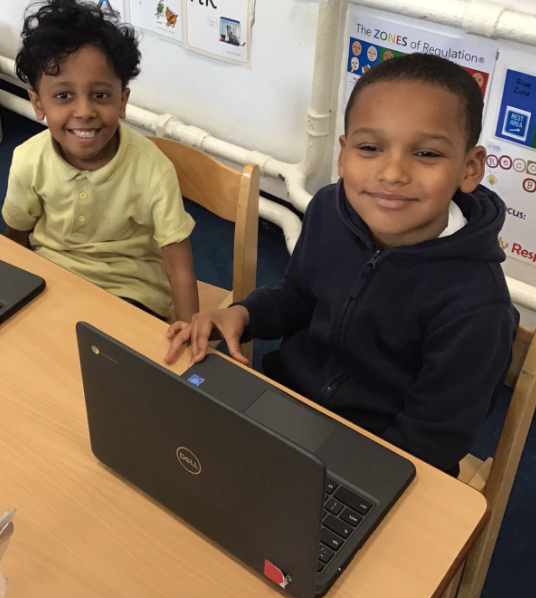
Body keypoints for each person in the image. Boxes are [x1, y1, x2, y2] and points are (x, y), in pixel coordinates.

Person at [165, 53, 519, 474]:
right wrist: (243, 313)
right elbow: (298, 295)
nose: (392, 173)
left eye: (426, 153)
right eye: (370, 148)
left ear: (470, 168)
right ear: (343, 154)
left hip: (375, 455)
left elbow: (429, 444)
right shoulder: (328, 209)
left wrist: (334, 481)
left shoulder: (478, 307)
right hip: (284, 405)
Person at [2, 0, 198, 321]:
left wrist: (189, 331)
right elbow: (16, 240)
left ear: (122, 101)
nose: (84, 112)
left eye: (100, 95)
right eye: (63, 95)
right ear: (38, 103)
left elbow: (180, 269)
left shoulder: (154, 170)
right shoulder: (28, 160)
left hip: (129, 291)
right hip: (50, 278)